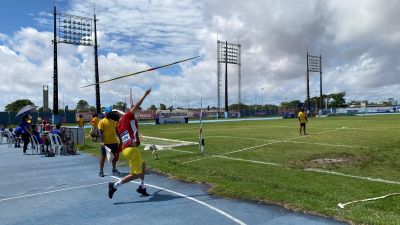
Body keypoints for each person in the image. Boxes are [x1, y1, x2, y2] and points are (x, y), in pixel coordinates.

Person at [108, 87, 152, 199]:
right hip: (132, 150)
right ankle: (115, 185)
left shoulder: (119, 125)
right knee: (135, 174)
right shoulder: (126, 117)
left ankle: (141, 187)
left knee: (142, 164)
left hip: (127, 149)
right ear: (118, 114)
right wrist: (146, 93)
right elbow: (136, 106)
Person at [98, 107, 120, 177]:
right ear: (105, 113)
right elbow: (100, 132)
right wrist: (102, 141)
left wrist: (120, 138)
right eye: (108, 113)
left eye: (110, 113)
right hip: (105, 142)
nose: (109, 114)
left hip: (114, 142)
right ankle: (101, 171)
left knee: (114, 156)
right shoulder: (102, 121)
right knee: (103, 157)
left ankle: (114, 169)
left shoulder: (114, 121)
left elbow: (117, 130)